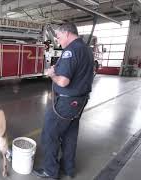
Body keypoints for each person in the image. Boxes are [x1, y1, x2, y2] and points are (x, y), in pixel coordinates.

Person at [33, 23, 94, 179]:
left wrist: (52, 74)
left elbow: (63, 82)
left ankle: (50, 171)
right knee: (69, 135)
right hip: (79, 101)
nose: (58, 41)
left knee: (49, 134)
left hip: (66, 103)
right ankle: (68, 168)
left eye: (59, 37)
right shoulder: (86, 49)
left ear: (67, 33)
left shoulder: (71, 51)